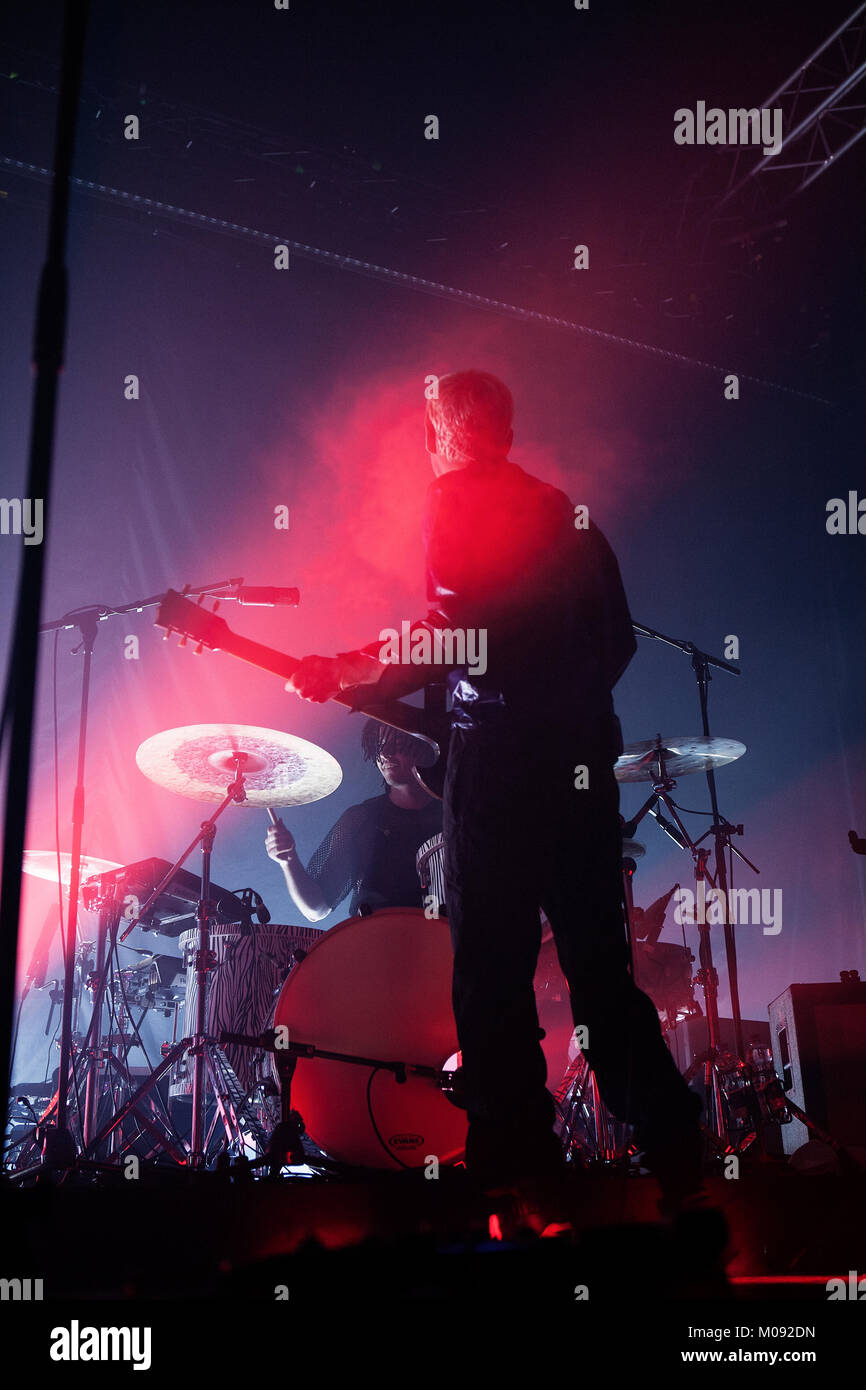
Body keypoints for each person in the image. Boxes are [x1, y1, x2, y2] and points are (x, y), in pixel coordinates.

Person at [285, 370, 703, 1203]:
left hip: (501, 766)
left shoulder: (456, 497)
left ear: (450, 431)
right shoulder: (567, 515)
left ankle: (516, 1160)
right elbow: (616, 642)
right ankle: (675, 1142)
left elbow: (453, 630)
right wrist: (564, 709)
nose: (430, 444)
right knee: (598, 961)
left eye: (433, 427)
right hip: (580, 761)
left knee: (492, 963)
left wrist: (355, 665)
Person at [265, 720, 441, 920]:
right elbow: (317, 908)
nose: (385, 754)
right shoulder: (362, 819)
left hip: (445, 943)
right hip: (374, 944)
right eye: (379, 747)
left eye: (397, 744)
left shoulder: (454, 817)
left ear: (423, 749)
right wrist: (288, 860)